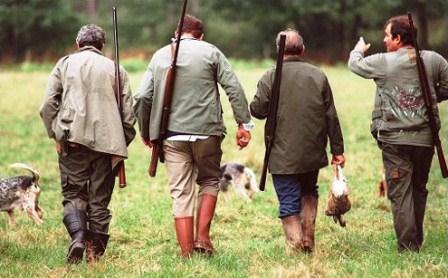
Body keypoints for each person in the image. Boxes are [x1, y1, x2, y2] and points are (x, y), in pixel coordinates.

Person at [133, 15, 252, 257]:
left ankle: (186, 252)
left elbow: (143, 97)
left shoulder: (160, 55)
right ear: (201, 36)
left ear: (176, 34)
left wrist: (147, 131)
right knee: (209, 181)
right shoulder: (211, 52)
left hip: (171, 135)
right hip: (207, 132)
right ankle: (203, 240)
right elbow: (233, 87)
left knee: (180, 192)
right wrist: (243, 124)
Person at [348, 15, 448, 252]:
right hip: (425, 139)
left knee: (400, 193)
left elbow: (355, 65)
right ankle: (416, 239)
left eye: (387, 35)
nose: (384, 39)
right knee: (418, 189)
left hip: (395, 140)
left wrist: (357, 49)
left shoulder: (385, 61)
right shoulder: (434, 60)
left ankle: (408, 246)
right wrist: (429, 98)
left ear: (398, 38)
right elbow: (446, 87)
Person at [40, 24, 136, 263]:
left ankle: (78, 237)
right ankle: (94, 255)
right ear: (101, 46)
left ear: (78, 43)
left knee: (73, 192)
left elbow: (48, 106)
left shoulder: (64, 64)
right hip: (108, 146)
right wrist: (120, 142)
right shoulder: (117, 70)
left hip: (72, 140)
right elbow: (129, 115)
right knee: (100, 200)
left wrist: (56, 135)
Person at [250, 29, 345, 254]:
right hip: (312, 150)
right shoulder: (318, 75)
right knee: (309, 192)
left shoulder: (270, 76)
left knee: (288, 200)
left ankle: (297, 245)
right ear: (302, 50)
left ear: (278, 50)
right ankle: (308, 239)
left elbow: (257, 110)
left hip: (281, 153)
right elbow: (331, 115)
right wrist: (338, 150)